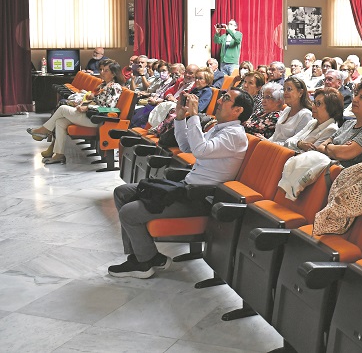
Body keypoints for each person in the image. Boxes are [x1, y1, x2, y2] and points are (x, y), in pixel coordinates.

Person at [109, 88, 254, 278]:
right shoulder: (221, 129)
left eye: (226, 99)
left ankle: (144, 262)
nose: (219, 101)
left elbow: (200, 150)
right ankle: (143, 257)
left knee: (129, 213)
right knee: (122, 192)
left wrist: (194, 115)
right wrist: (180, 118)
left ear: (238, 110)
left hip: (199, 198)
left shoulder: (234, 135)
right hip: (186, 189)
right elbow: (187, 148)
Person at [28, 61, 125, 165]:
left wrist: (87, 108)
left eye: (106, 71)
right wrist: (83, 104)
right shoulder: (104, 85)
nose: (102, 72)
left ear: (114, 73)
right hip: (91, 115)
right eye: (101, 70)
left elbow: (109, 108)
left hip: (99, 119)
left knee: (62, 108)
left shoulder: (115, 87)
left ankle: (44, 130)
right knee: (60, 122)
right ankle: (58, 154)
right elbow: (97, 101)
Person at [315, 79, 362, 168]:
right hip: (323, 166)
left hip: (341, 174)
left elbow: (344, 153)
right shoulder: (348, 123)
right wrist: (335, 148)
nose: (355, 99)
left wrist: (328, 146)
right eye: (356, 95)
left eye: (361, 98)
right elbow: (320, 147)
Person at [268, 76, 313, 143]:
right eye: (284, 89)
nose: (285, 93)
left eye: (289, 89)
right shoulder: (287, 110)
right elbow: (276, 135)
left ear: (300, 93)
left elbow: (295, 143)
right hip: (274, 147)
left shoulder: (305, 115)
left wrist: (271, 144)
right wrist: (266, 142)